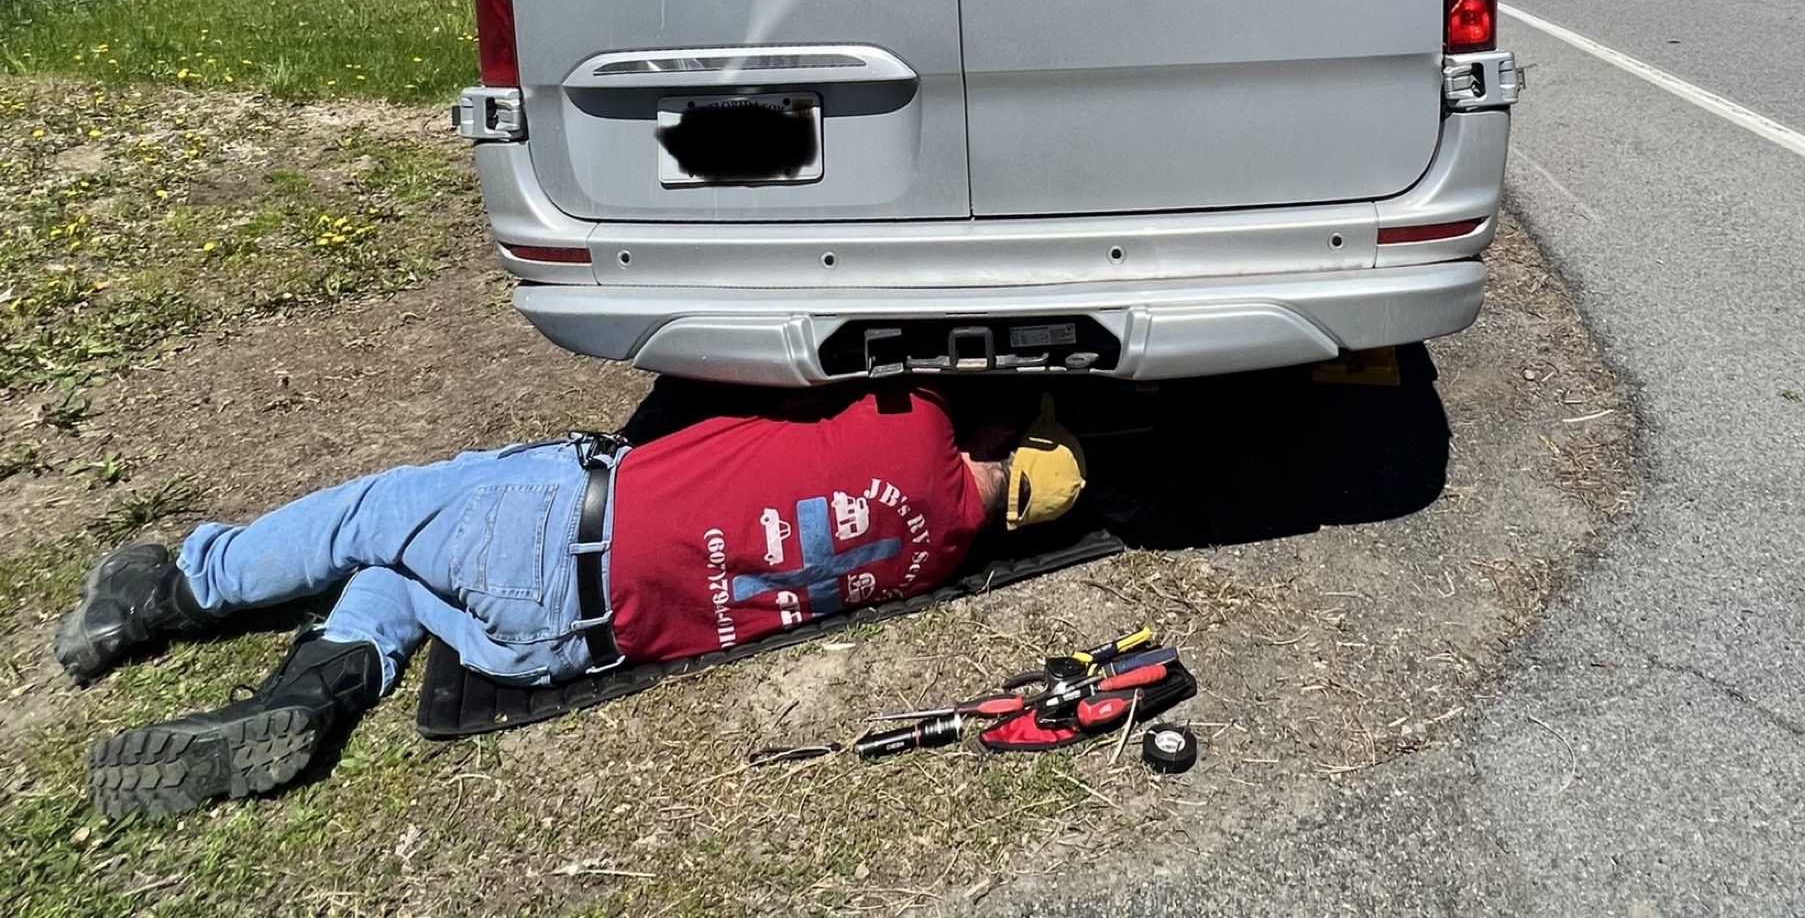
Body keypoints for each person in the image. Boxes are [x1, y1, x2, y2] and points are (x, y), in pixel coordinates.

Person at [55, 387, 1086, 817]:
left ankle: (175, 585)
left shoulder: (901, 428)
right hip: (551, 648)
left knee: (370, 512)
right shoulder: (938, 559)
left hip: (548, 532)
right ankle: (319, 688)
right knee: (400, 580)